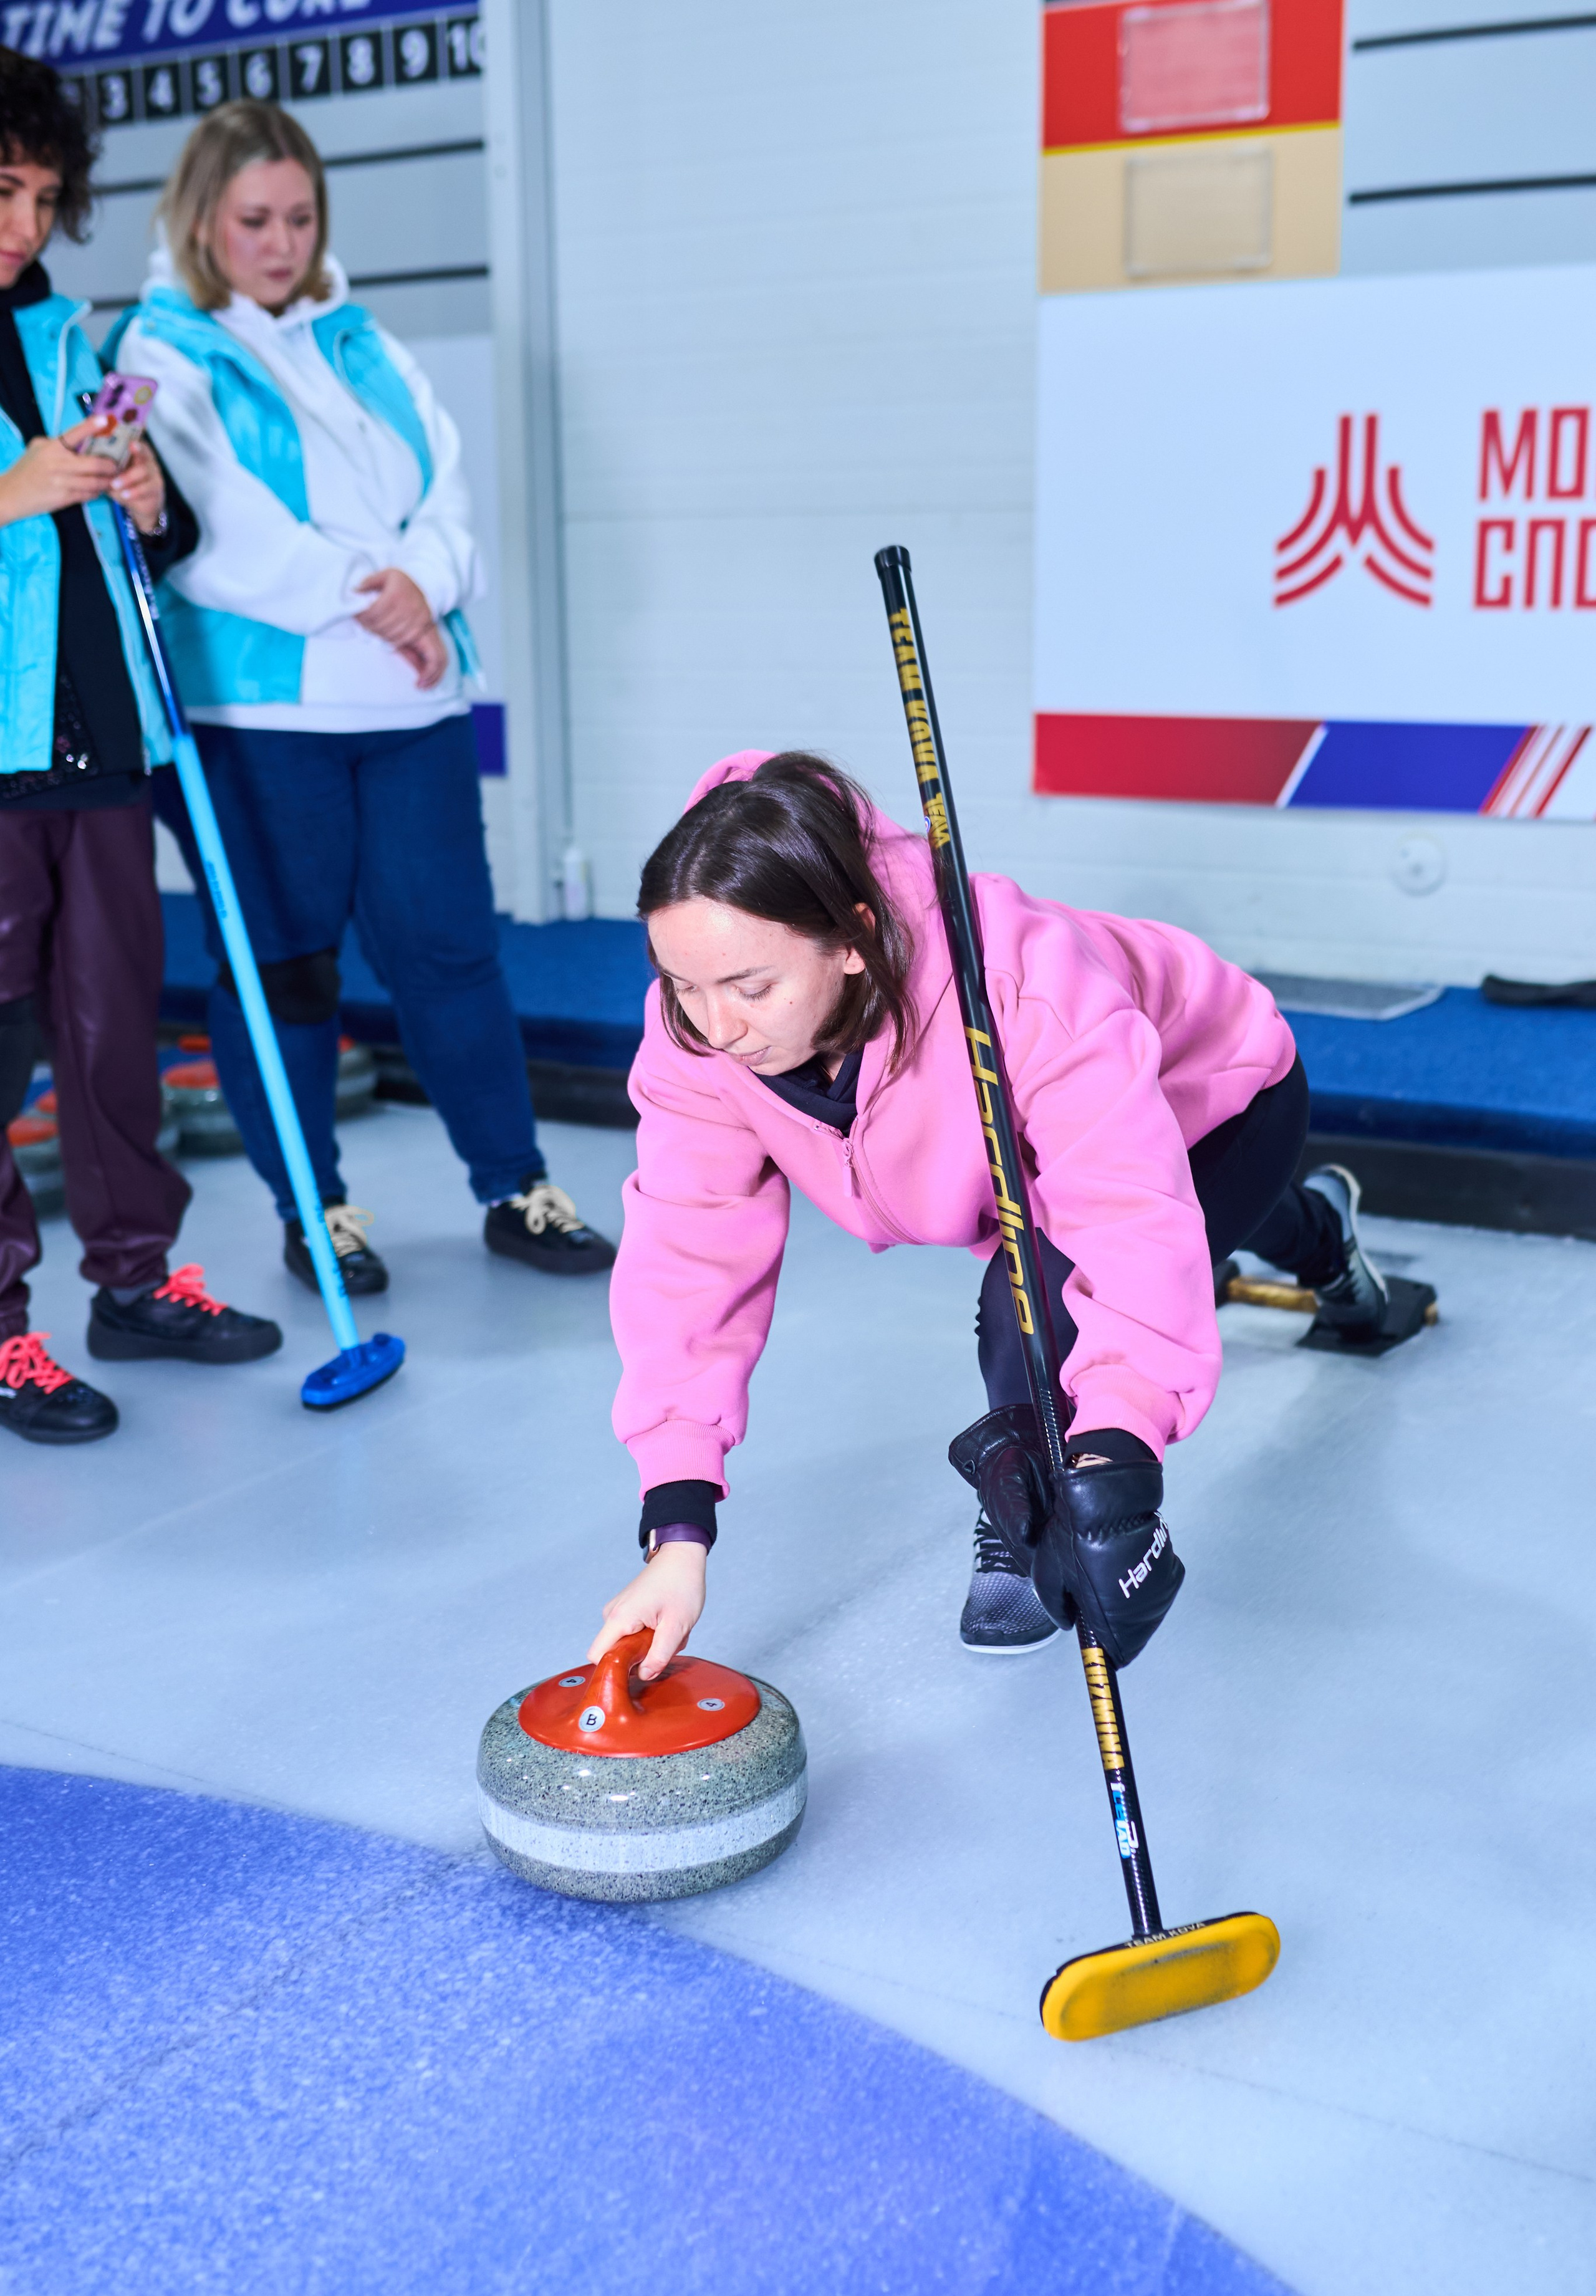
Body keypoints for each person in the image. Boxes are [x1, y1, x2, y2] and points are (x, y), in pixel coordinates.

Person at [591, 749, 1396, 1676]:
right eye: (682, 985)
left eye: (751, 988)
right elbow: (688, 1256)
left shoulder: (1016, 983)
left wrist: (1113, 1461)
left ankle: (1024, 1506)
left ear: (852, 938)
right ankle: (1322, 1231)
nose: (717, 1027)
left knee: (1031, 1308)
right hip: (1056, 1153)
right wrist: (677, 1525)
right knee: (1193, 1232)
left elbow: (1128, 1217)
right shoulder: (697, 1039)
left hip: (1218, 1092)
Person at [110, 101, 614, 1297]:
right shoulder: (162, 347)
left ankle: (516, 1185)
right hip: (263, 719)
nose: (282, 244)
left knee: (452, 955)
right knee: (287, 970)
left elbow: (446, 486)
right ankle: (316, 1209)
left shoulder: (363, 339)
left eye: (300, 218)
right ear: (202, 218)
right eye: (255, 220)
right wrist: (375, 596)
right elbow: (215, 534)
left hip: (410, 706)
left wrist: (424, 584)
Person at [0, 49, 281, 1448]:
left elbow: (143, 552)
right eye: (2, 189)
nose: (25, 224)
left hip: (104, 744)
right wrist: (10, 491)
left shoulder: (66, 338)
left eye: (44, 197)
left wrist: (149, 504)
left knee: (113, 1033)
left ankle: (132, 1282)